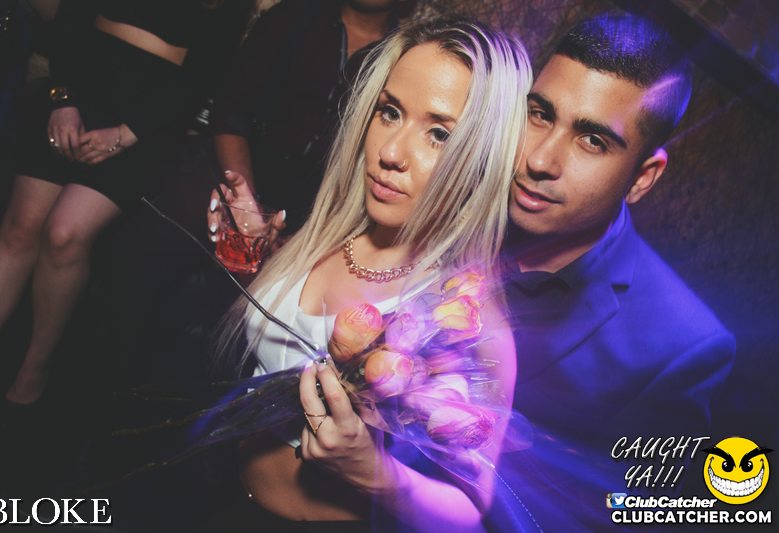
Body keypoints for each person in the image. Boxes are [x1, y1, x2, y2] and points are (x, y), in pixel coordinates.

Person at [207, 17, 531, 531]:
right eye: (390, 111)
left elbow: (469, 513)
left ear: (483, 159)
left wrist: (372, 471)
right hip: (219, 492)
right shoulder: (328, 235)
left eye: (439, 134)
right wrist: (247, 251)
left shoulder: (462, 320)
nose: (390, 152)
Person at [489, 13, 736, 530]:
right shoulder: (455, 201)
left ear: (643, 177)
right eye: (539, 114)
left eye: (593, 140)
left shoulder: (683, 347)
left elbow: (612, 517)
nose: (540, 159)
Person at [0, 0, 249, 405]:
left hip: (149, 122)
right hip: (78, 93)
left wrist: (128, 132)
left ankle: (35, 368)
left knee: (63, 233)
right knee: (20, 227)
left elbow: (205, 73)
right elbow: (72, 16)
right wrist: (62, 98)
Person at [209, 0, 411, 235]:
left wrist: (316, 238)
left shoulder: (404, 55)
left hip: (326, 218)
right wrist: (246, 204)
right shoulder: (292, 16)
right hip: (249, 177)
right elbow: (229, 111)